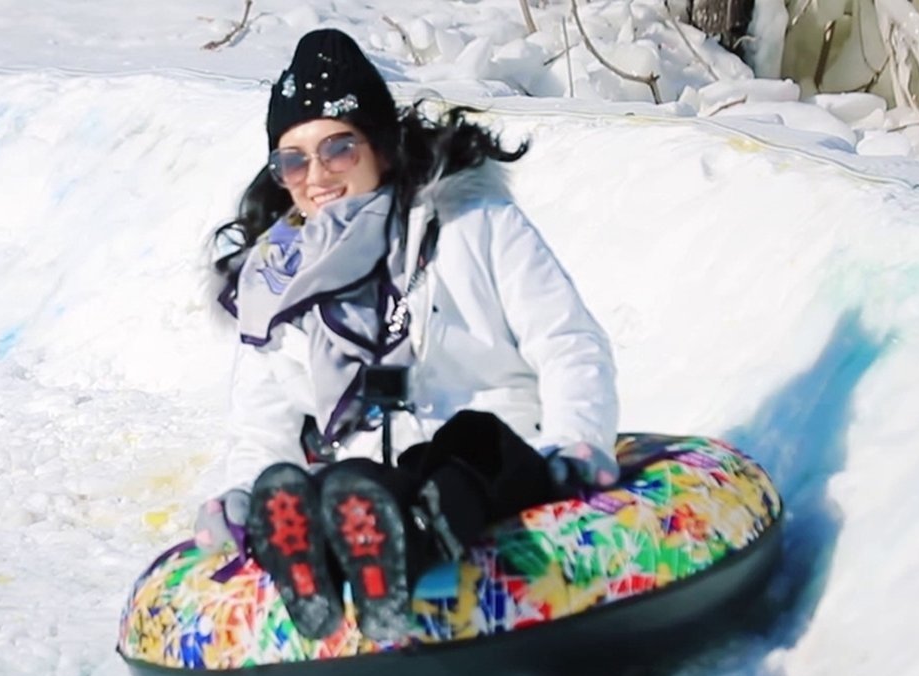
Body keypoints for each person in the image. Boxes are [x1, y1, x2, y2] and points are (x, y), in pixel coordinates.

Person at [193, 28, 620, 644]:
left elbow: (568, 342)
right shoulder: (276, 283)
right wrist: (245, 491)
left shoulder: (473, 224)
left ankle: (407, 532)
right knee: (338, 486)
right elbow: (263, 428)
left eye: (338, 148)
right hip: (364, 480)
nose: (316, 175)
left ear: (381, 147)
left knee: (457, 464)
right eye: (294, 159)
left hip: (493, 449)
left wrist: (577, 442)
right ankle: (325, 554)